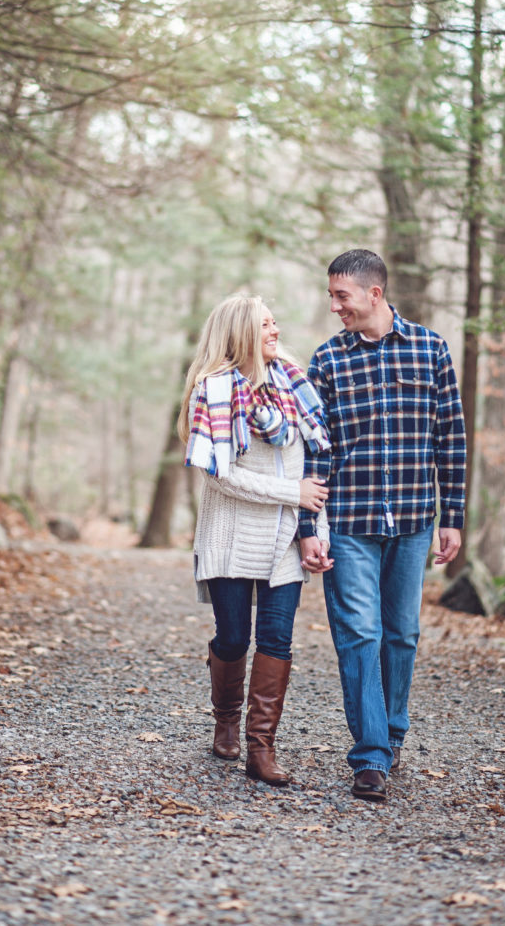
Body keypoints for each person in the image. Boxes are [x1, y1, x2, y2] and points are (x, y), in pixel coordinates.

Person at [298, 249, 466, 804]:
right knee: (359, 635)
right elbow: (315, 454)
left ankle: (392, 732)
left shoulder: (431, 348)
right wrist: (309, 527)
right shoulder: (326, 361)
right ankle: (370, 755)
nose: (333, 306)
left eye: (340, 296)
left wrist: (454, 518)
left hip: (416, 519)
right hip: (350, 521)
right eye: (330, 296)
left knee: (403, 634)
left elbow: (451, 440)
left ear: (375, 294)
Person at [178, 293, 332, 786]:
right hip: (230, 534)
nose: (276, 331)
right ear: (242, 332)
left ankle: (260, 748)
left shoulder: (294, 384)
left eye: (275, 322)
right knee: (233, 637)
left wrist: (316, 533)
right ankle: (225, 717)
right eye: (266, 324)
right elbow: (221, 476)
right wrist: (293, 492)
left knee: (276, 639)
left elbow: (312, 469)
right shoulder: (215, 391)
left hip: (284, 536)